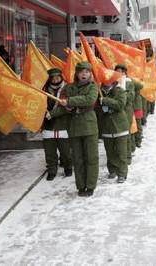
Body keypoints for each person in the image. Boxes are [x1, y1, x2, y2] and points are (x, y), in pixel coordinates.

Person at [58, 62, 99, 197]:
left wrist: (70, 101)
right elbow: (62, 97)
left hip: (89, 127)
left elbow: (89, 100)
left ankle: (91, 186)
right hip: (74, 127)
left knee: (91, 158)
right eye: (81, 72)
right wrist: (65, 104)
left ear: (90, 74)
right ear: (76, 73)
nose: (84, 74)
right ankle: (81, 186)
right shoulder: (69, 87)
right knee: (78, 159)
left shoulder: (93, 87)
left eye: (87, 72)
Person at [42, 68, 73, 181]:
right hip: (48, 125)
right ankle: (51, 170)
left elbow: (67, 107)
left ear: (61, 77)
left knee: (65, 150)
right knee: (49, 151)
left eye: (57, 77)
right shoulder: (44, 89)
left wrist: (52, 114)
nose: (55, 80)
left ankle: (68, 167)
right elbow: (39, 104)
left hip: (63, 124)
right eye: (53, 78)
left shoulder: (67, 89)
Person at [99, 75, 129, 183]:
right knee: (109, 152)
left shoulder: (120, 91)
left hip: (120, 126)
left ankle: (122, 173)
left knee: (121, 153)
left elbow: (120, 105)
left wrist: (105, 100)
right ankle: (112, 170)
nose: (107, 81)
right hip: (106, 127)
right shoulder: (98, 91)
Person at [115, 64, 135, 166]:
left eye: (121, 72)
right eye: (117, 71)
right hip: (117, 112)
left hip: (126, 111)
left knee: (126, 133)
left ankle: (127, 156)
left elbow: (131, 96)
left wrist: (121, 96)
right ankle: (119, 156)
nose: (119, 74)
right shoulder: (114, 82)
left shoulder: (129, 83)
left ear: (125, 72)